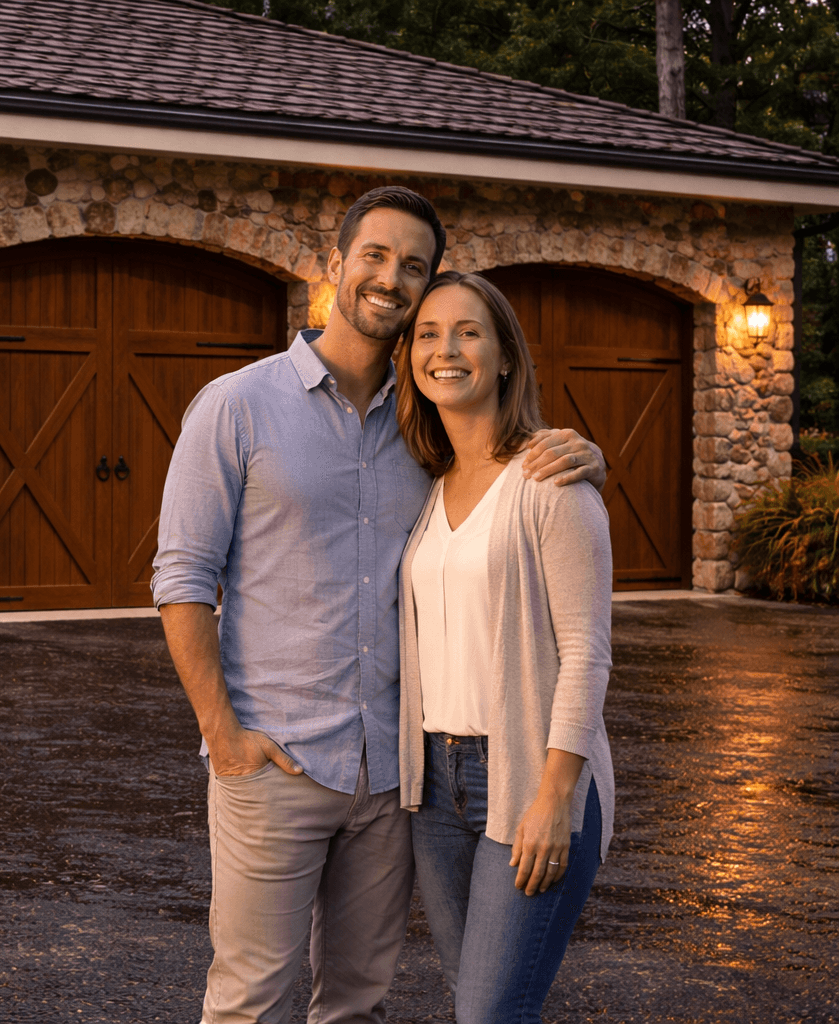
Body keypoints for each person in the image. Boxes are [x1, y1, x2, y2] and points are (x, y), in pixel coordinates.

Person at [151, 185, 607, 1024]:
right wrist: (224, 739)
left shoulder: (425, 422)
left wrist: (584, 455)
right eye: (375, 255)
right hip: (276, 762)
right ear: (336, 264)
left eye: (414, 267)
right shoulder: (238, 406)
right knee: (251, 1000)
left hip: (397, 776)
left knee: (358, 1001)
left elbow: (510, 486)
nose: (391, 279)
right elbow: (181, 579)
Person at [396, 270, 614, 1023]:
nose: (445, 349)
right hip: (435, 788)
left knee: (489, 1011)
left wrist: (558, 797)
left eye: (468, 331)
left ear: (506, 357)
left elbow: (588, 650)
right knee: (478, 1003)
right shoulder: (428, 484)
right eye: (428, 333)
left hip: (523, 776)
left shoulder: (552, 479)